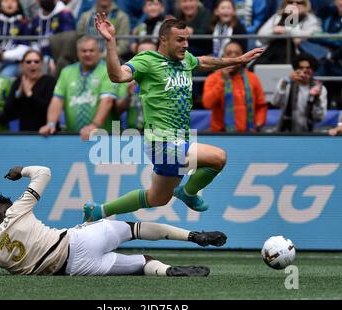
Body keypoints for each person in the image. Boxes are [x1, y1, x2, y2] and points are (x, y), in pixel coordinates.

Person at [82, 15, 263, 222]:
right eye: (180, 40)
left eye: (187, 40)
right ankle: (188, 193)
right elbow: (117, 76)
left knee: (157, 198)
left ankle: (99, 211)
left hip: (178, 139)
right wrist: (110, 41)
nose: (185, 45)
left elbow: (203, 62)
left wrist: (238, 60)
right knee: (218, 157)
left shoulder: (185, 59)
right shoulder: (147, 60)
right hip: (161, 142)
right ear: (163, 40)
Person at [0, 165, 227, 276]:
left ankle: (168, 272)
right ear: (9, 210)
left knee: (141, 262)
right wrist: (20, 169)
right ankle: (193, 236)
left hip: (75, 269)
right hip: (75, 241)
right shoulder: (18, 211)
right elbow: (43, 172)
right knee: (134, 230)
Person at [39, 36, 119, 140]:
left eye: (91, 50)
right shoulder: (67, 71)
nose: (87, 54)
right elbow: (57, 100)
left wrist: (94, 126)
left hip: (104, 138)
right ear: (77, 53)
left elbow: (107, 101)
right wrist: (50, 124)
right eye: (84, 51)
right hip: (73, 138)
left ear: (99, 52)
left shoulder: (107, 71)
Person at [0, 50, 56, 131]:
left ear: (41, 64)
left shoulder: (50, 81)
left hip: (46, 134)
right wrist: (18, 94)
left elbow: (48, 109)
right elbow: (8, 111)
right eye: (28, 62)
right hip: (25, 134)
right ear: (22, 65)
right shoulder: (18, 82)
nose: (32, 64)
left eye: (36, 61)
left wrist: (29, 94)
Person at [202, 41, 267, 133]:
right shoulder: (213, 78)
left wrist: (258, 124)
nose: (233, 56)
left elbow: (261, 106)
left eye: (237, 54)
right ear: (223, 57)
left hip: (249, 133)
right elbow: (208, 104)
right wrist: (222, 81)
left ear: (243, 57)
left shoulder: (252, 78)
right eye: (229, 53)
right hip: (221, 134)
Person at [272, 53, 327, 133]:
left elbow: (319, 118)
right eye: (300, 68)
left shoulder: (319, 89)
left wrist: (317, 99)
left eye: (308, 68)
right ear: (295, 69)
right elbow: (275, 103)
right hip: (286, 132)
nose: (304, 71)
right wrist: (285, 82)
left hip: (309, 133)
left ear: (313, 70)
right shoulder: (285, 83)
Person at [256, 0, 322, 65]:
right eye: (290, 2)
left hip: (298, 58)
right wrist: (273, 32)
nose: (294, 5)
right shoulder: (277, 16)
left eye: (299, 3)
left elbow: (311, 36)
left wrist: (286, 29)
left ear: (306, 5)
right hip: (271, 55)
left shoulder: (311, 19)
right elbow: (261, 36)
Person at [0, 0, 31, 78]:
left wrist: (4, 55)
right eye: (6, 1)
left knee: (4, 76)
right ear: (0, 5)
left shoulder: (23, 23)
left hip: (15, 63)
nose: (9, 3)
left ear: (18, 5)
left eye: (13, 1)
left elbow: (25, 48)